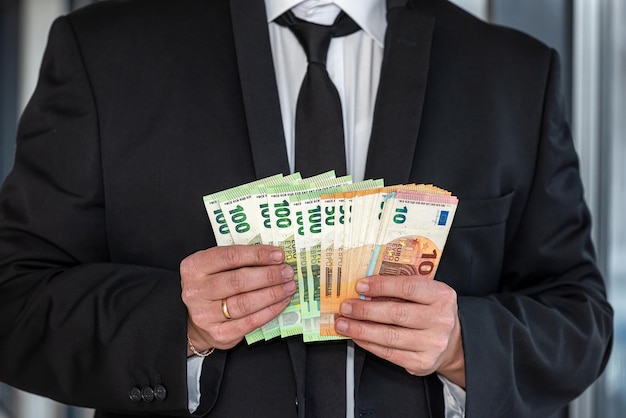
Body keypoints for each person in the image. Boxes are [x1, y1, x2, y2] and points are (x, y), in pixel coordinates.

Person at [0, 0, 613, 417]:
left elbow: (579, 318)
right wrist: (177, 326)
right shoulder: (104, 51)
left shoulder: (514, 73)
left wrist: (462, 345)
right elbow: (14, 300)